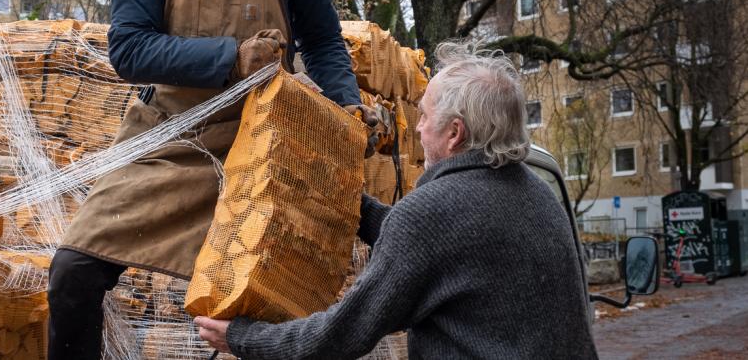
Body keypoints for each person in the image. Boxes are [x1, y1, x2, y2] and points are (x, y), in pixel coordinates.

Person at [47, 0, 376, 357]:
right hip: (169, 136)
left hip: (267, 138)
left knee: (275, 293)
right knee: (73, 271)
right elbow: (129, 50)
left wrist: (347, 106)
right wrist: (231, 59)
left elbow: (324, 41)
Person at [195, 41, 599, 359]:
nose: (418, 128)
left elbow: (341, 335)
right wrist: (343, 199)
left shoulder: (432, 214)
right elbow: (438, 244)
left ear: (454, 133)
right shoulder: (539, 197)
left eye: (424, 116)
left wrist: (243, 337)